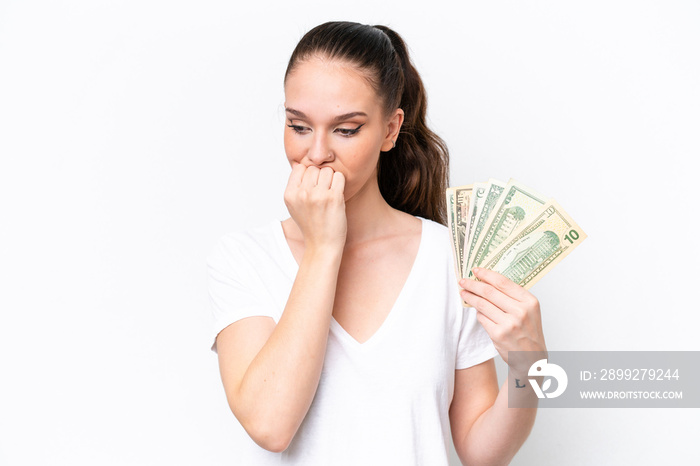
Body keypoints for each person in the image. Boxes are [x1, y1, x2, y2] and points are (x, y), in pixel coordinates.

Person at [207, 21, 547, 465]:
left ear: (390, 130)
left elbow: (481, 454)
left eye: (346, 129)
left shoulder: (449, 260)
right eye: (299, 126)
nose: (316, 153)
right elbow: (270, 425)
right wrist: (324, 247)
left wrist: (532, 366)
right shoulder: (243, 259)